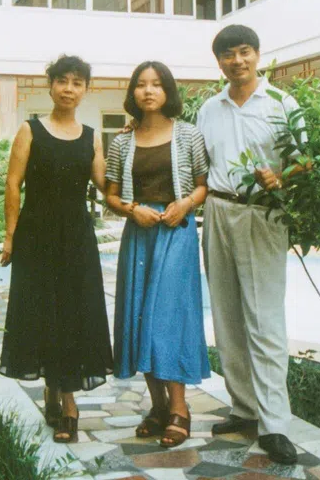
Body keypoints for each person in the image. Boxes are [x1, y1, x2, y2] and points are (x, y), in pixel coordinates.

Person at [196, 25, 301, 465]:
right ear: (218, 61)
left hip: (261, 212)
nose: (236, 61)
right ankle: (244, 409)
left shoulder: (281, 104)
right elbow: (196, 161)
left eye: (244, 52)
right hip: (218, 211)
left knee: (264, 319)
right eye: (227, 54)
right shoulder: (209, 109)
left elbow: (304, 158)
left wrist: (281, 178)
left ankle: (275, 424)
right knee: (226, 314)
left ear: (257, 55)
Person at [0, 55, 113, 445]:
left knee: (72, 317)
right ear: (49, 84)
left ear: (85, 89)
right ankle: (61, 397)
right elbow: (13, 185)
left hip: (77, 239)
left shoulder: (92, 136)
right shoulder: (30, 131)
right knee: (42, 314)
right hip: (36, 237)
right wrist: (10, 236)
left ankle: (65, 400)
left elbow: (104, 185)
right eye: (62, 80)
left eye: (77, 82)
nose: (69, 88)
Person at [104, 61, 211, 449]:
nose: (148, 91)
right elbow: (111, 195)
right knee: (138, 317)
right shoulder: (121, 142)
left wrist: (185, 205)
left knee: (168, 318)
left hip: (176, 232)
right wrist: (133, 210)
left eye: (157, 84)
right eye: (141, 85)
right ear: (133, 93)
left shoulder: (189, 134)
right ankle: (157, 406)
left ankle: (180, 409)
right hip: (140, 234)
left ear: (168, 91)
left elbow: (204, 185)